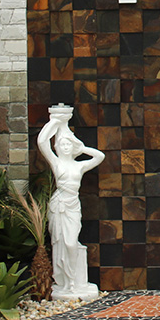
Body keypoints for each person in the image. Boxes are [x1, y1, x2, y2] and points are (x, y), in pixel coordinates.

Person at [37, 105, 104, 300]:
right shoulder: (56, 163)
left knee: (71, 242)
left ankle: (74, 281)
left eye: (68, 145)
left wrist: (81, 147)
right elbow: (42, 142)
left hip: (73, 205)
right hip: (59, 205)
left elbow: (100, 156)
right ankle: (66, 282)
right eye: (62, 145)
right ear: (58, 147)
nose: (65, 147)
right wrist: (56, 122)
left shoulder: (79, 166)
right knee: (60, 242)